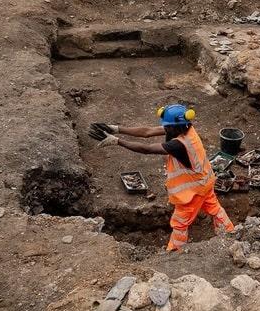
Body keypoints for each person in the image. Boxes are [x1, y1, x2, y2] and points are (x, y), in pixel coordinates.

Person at [89, 105, 235, 252]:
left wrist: (117, 141)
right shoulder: (186, 128)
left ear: (176, 126)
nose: (165, 129)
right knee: (214, 208)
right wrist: (116, 129)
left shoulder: (179, 144)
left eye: (168, 127)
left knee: (179, 224)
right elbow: (147, 132)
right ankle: (230, 234)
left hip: (192, 192)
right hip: (205, 181)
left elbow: (147, 149)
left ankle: (175, 252)